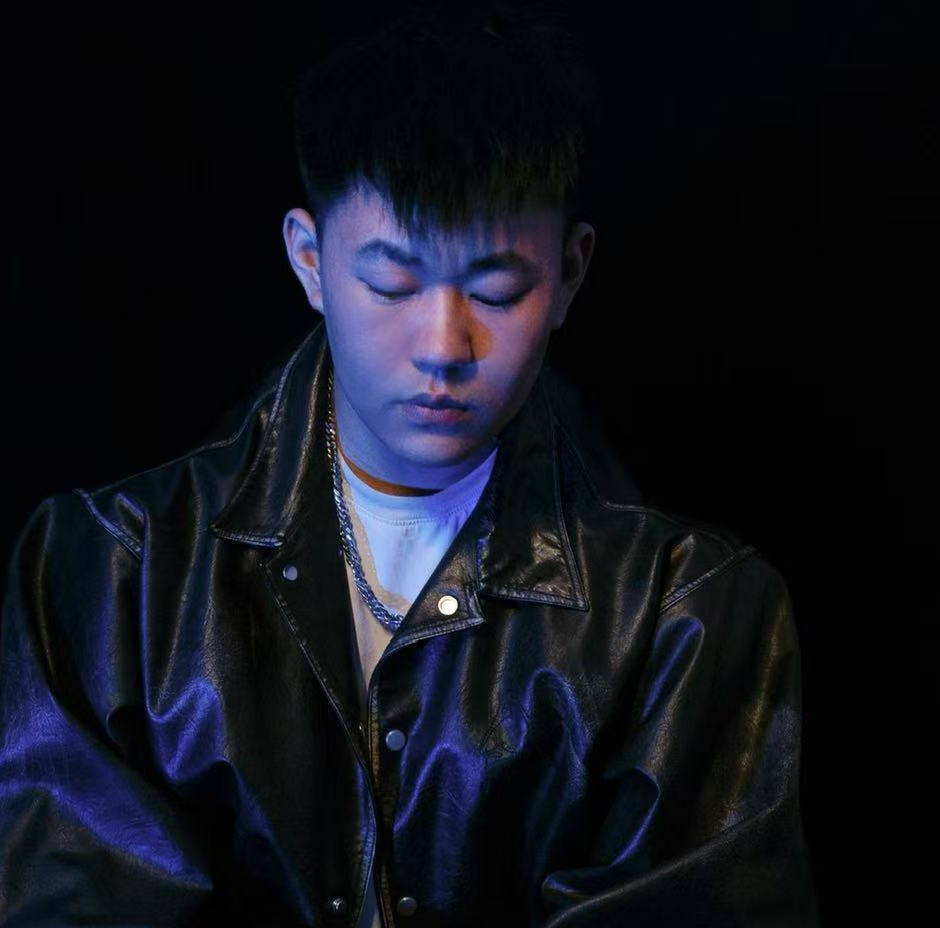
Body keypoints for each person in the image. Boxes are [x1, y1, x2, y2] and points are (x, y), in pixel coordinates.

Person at [0, 4, 819, 926]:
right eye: (392, 284)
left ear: (570, 274)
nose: (443, 346)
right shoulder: (112, 574)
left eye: (496, 291)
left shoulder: (687, 614)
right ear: (309, 261)